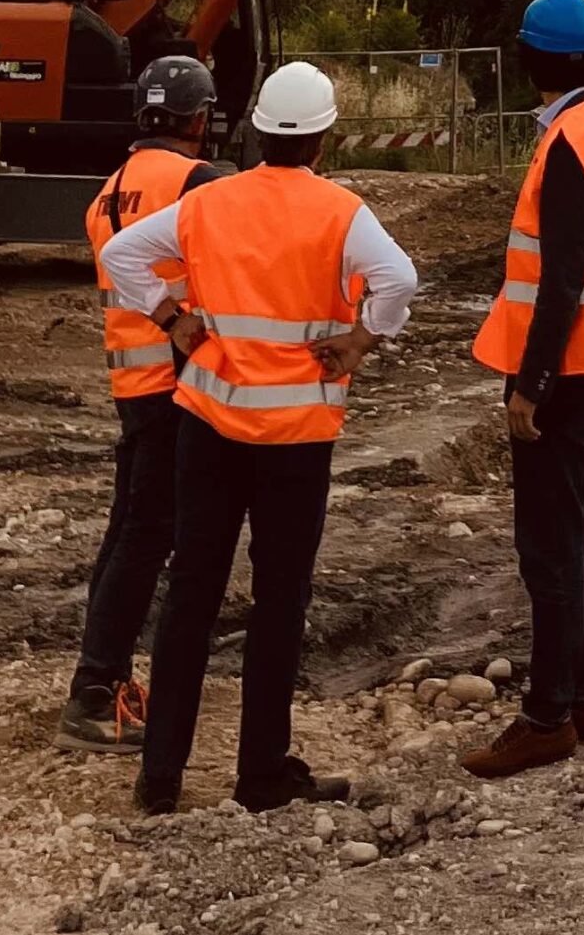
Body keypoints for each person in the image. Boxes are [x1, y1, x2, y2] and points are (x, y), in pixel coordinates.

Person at [99, 60, 421, 815]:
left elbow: (120, 256)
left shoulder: (211, 201)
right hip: (297, 439)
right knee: (280, 601)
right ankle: (261, 773)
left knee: (192, 595)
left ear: (256, 130)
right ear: (322, 136)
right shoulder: (341, 211)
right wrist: (357, 340)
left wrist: (173, 317)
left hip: (207, 426)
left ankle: (161, 774)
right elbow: (400, 279)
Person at [461, 0, 584, 780]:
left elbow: (563, 273)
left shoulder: (570, 139)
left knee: (552, 547)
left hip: (566, 369)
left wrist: (529, 382)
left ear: (532, 57)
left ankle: (547, 716)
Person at [55, 55, 229, 753]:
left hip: (133, 382)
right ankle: (95, 691)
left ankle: (104, 677)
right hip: (177, 383)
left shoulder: (108, 191)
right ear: (198, 118)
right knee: (145, 535)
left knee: (129, 528)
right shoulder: (195, 181)